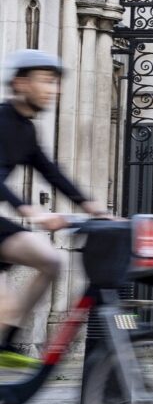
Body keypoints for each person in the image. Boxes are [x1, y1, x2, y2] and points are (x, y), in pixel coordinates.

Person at [0, 50, 107, 366]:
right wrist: (28, 210)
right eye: (46, 81)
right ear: (20, 82)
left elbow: (51, 172)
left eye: (56, 82)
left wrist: (92, 206)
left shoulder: (26, 130)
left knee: (49, 260)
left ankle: (6, 344)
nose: (54, 89)